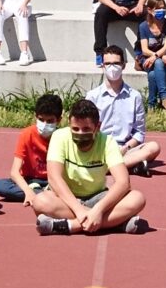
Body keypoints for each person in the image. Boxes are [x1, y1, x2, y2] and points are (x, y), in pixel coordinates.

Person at [32, 99, 154, 235]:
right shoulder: (59, 137)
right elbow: (54, 178)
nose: (80, 133)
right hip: (67, 199)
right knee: (40, 201)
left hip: (98, 197)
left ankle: (69, 226)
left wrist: (98, 210)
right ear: (69, 125)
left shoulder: (108, 142)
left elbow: (123, 182)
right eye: (75, 129)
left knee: (137, 198)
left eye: (86, 129)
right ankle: (116, 223)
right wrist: (78, 209)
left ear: (98, 127)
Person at [86, 46, 164, 172]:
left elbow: (139, 132)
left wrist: (126, 148)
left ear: (123, 65)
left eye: (116, 63)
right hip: (99, 148)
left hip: (126, 148)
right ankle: (130, 165)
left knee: (154, 147)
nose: (112, 67)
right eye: (108, 64)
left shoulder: (135, 96)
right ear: (103, 66)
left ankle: (106, 168)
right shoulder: (92, 96)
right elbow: (87, 129)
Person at [0, 95, 66, 202]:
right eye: (41, 120)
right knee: (1, 186)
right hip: (29, 180)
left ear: (58, 120)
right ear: (35, 117)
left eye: (50, 121)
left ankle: (46, 193)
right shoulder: (27, 134)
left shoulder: (62, 136)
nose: (44, 125)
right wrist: (28, 191)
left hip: (53, 180)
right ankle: (43, 194)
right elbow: (14, 172)